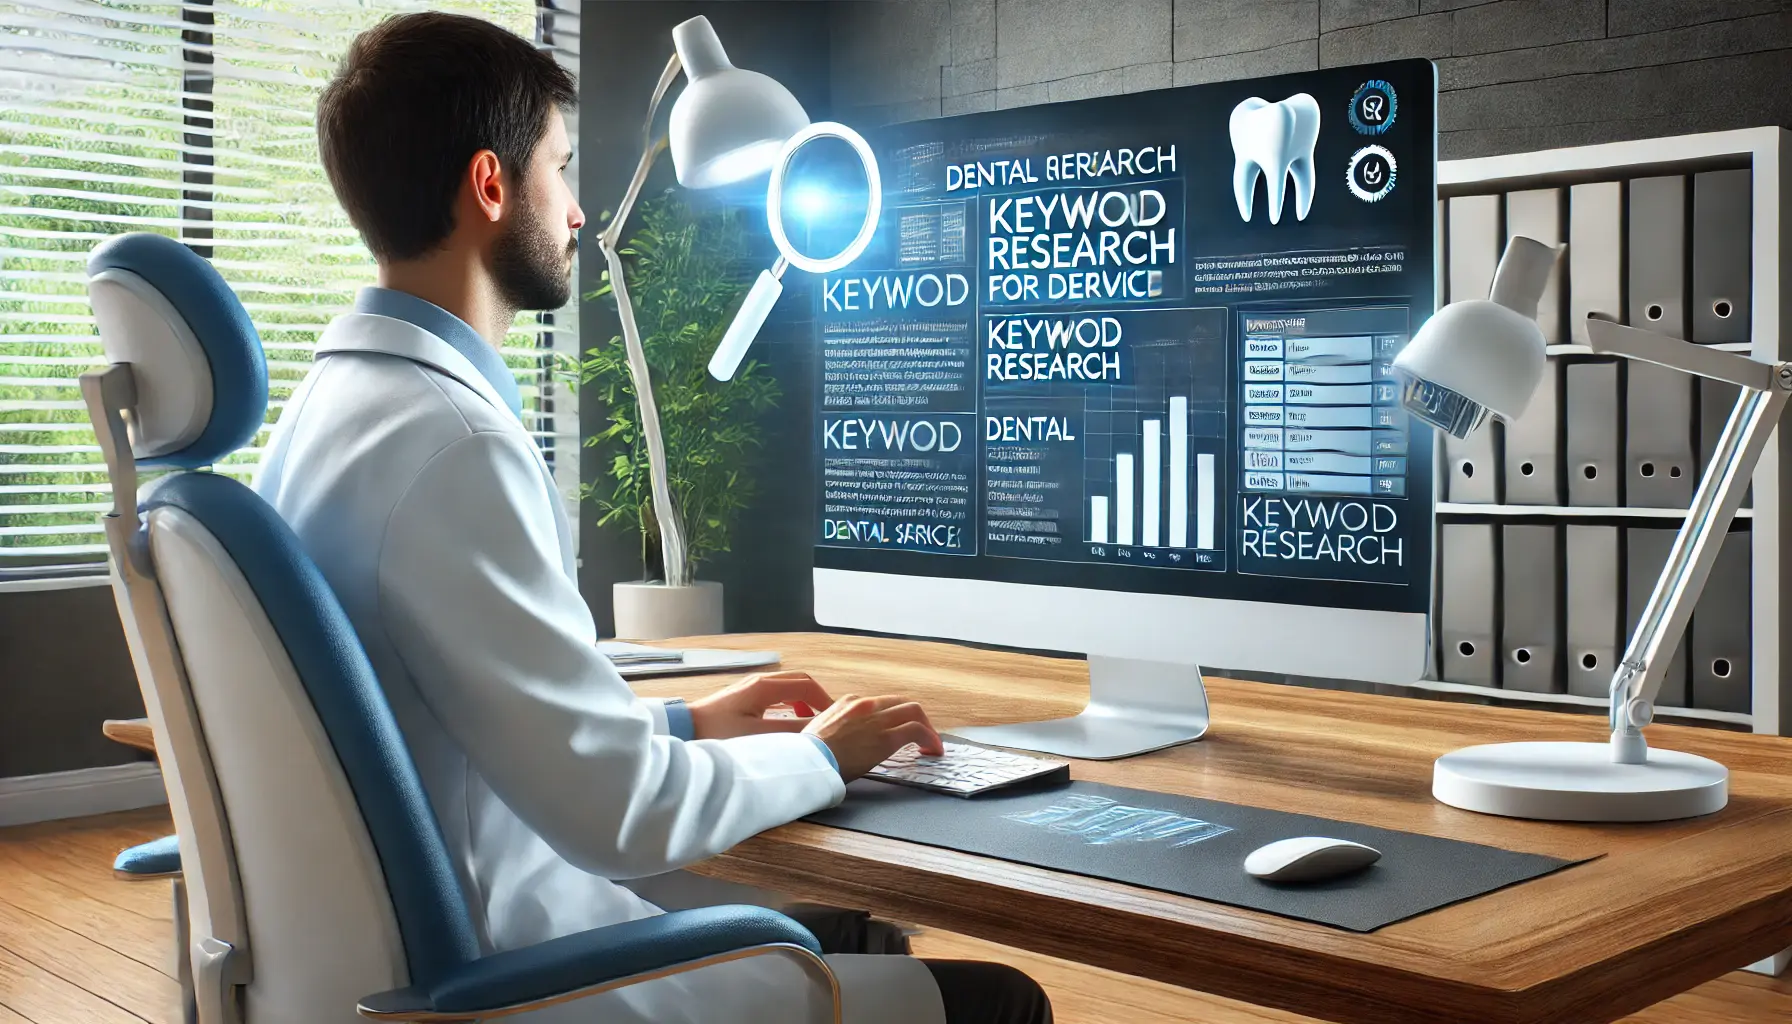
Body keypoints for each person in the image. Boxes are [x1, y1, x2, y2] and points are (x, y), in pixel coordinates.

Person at [254, 11, 1050, 1024]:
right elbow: (617, 816)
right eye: (562, 167)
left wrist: (683, 719)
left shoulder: (326, 413)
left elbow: (458, 713)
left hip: (407, 946)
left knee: (844, 932)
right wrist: (821, 753)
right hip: (518, 976)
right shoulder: (458, 447)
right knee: (999, 1003)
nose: (580, 213)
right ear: (492, 186)